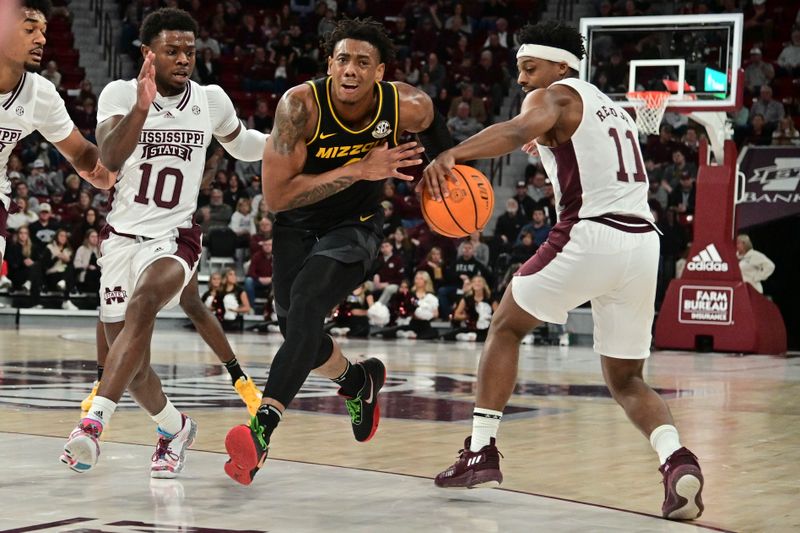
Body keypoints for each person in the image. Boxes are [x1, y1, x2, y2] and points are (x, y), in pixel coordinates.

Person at [422, 21, 704, 520]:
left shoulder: (554, 95)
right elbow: (575, 145)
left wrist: (454, 152)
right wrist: (547, 141)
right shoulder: (608, 106)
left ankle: (480, 450)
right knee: (627, 380)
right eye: (520, 71)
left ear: (560, 65)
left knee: (506, 325)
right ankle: (676, 460)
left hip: (591, 233)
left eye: (530, 68)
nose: (524, 80)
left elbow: (513, 130)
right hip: (642, 245)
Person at [223, 17, 452, 486]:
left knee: (306, 303)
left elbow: (435, 131)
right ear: (330, 63)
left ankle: (261, 430)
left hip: (357, 226)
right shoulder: (299, 107)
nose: (351, 69)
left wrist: (444, 168)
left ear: (380, 72)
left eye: (363, 62)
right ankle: (356, 381)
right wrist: (360, 169)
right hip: (296, 224)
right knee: (297, 330)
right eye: (343, 59)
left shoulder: (405, 105)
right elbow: (278, 198)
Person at [61, 7, 267, 477]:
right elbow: (108, 158)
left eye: (190, 51)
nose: (184, 59)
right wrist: (141, 105)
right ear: (147, 52)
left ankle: (92, 426)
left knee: (145, 304)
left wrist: (291, 144)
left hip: (175, 236)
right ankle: (175, 428)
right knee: (133, 369)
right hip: (121, 239)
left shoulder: (210, 100)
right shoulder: (119, 93)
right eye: (172, 50)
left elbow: (243, 144)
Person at [0, 0, 114, 273]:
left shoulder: (41, 94)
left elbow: (81, 153)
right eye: (30, 30)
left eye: (43, 31)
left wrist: (113, 169)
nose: (41, 39)